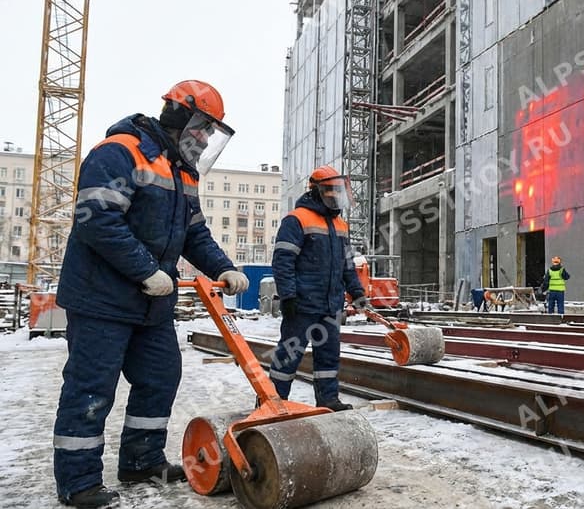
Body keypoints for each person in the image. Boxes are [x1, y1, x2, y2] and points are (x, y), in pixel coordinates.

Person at [53, 80, 250, 508]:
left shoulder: (183, 172)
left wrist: (224, 267)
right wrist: (145, 270)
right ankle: (78, 481)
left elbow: (194, 233)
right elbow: (97, 220)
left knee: (160, 376)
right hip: (100, 298)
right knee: (92, 389)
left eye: (210, 133)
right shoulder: (120, 152)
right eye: (201, 128)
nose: (202, 139)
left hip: (151, 302)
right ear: (180, 115)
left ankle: (141, 460)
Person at [270, 165, 368, 413]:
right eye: (331, 192)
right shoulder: (297, 220)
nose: (336, 198)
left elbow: (347, 264)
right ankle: (273, 402)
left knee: (328, 356)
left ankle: (328, 399)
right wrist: (288, 295)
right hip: (302, 305)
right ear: (316, 192)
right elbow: (283, 261)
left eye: (339, 192)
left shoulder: (341, 225)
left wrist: (357, 292)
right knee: (289, 355)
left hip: (330, 306)